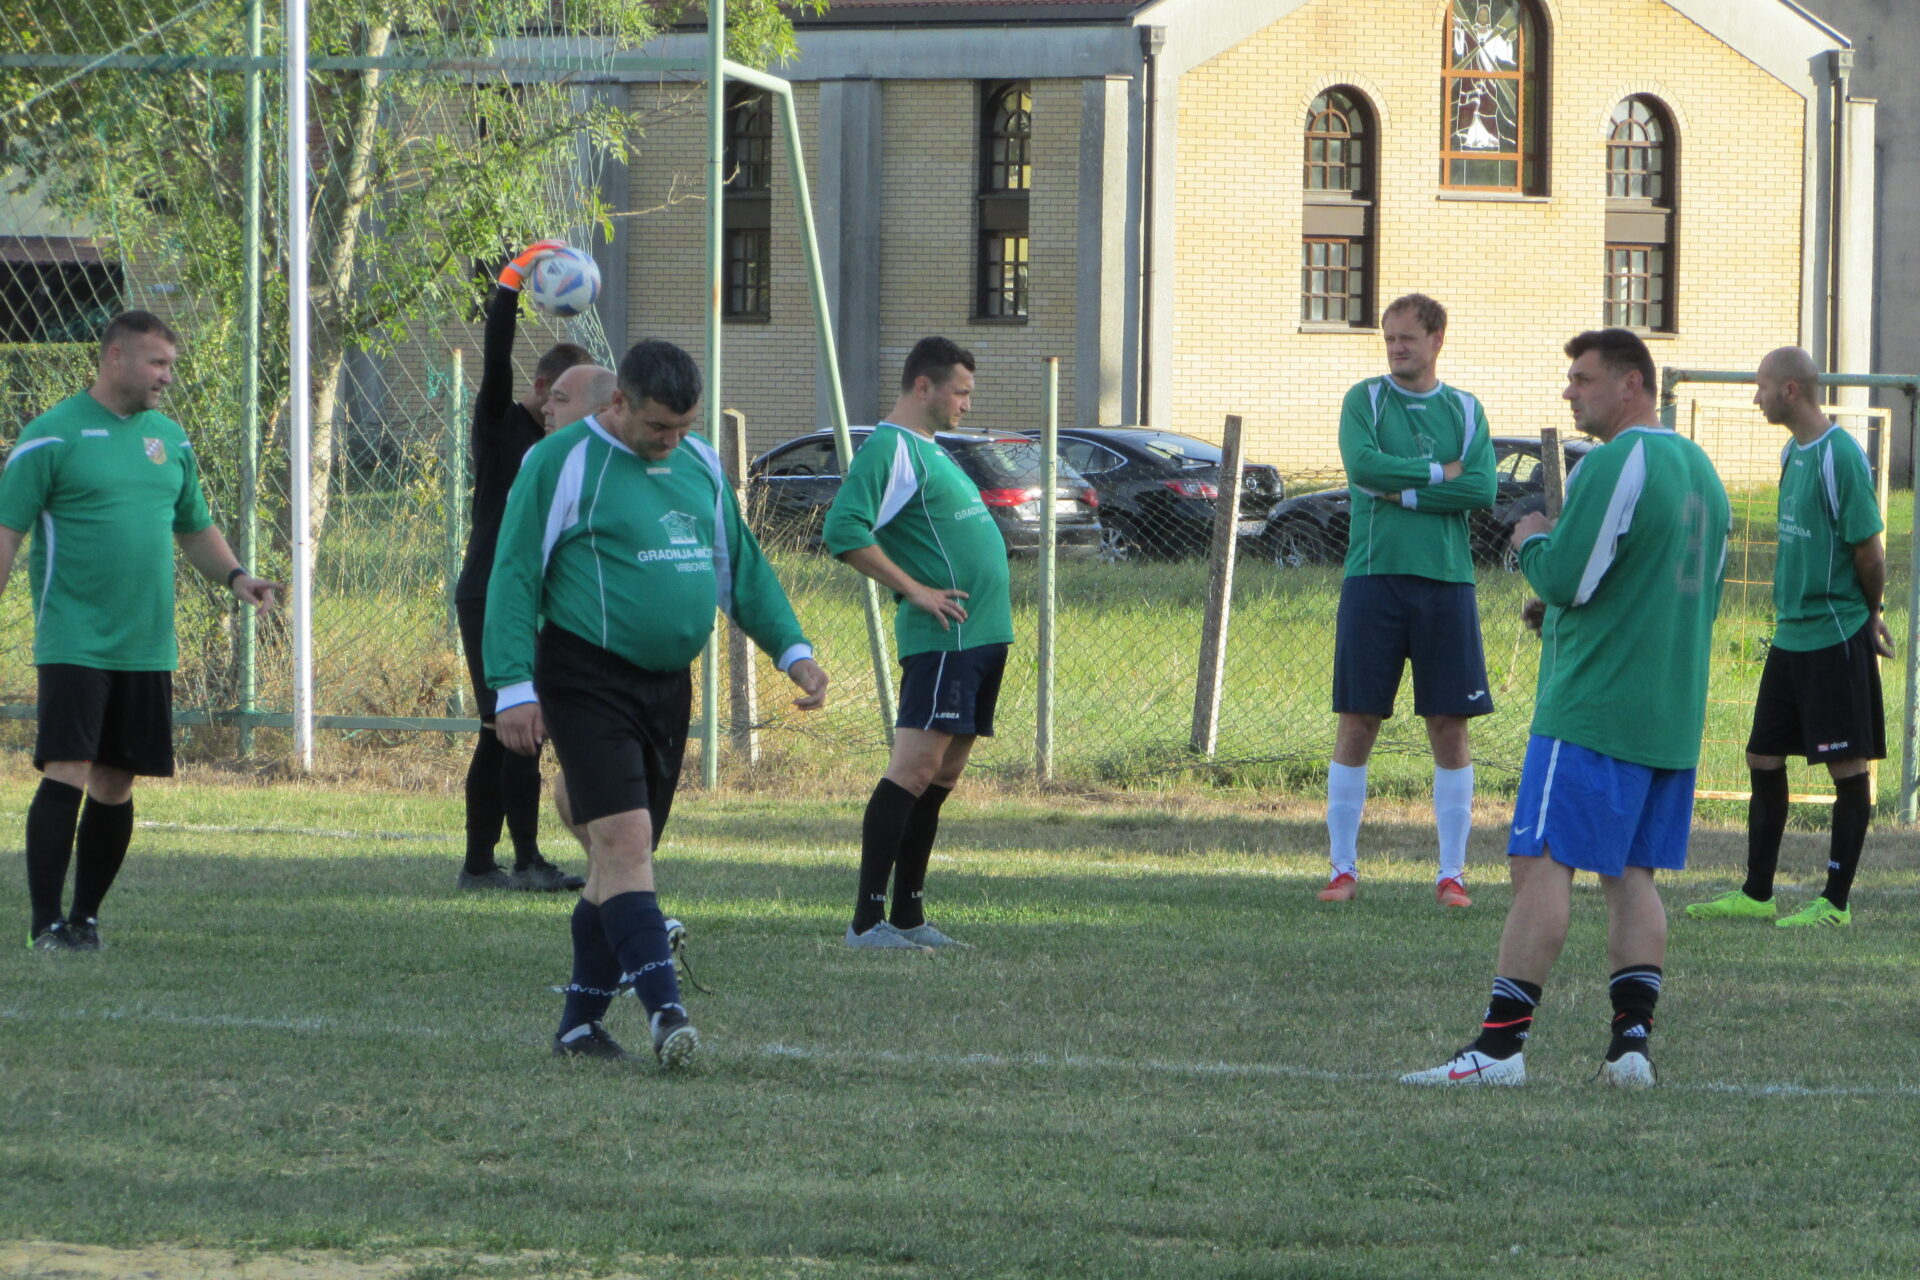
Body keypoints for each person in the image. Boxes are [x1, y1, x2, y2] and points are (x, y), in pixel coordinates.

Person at [485, 338, 829, 1067]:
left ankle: (578, 1027)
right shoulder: (560, 461)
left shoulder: (698, 462)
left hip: (668, 688)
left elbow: (740, 567)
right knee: (624, 845)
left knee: (620, 866)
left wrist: (793, 651)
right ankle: (667, 1014)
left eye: (683, 427)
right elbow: (513, 574)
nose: (671, 441)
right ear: (619, 402)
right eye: (657, 428)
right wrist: (512, 686)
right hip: (585, 676)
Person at [1402, 328, 1729, 1088]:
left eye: (1583, 378)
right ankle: (1630, 1051)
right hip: (1670, 710)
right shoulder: (1704, 472)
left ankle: (1499, 1050)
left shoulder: (1616, 461)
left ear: (1631, 384)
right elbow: (1676, 595)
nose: (1569, 392)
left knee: (1540, 860)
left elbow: (1567, 578)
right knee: (1633, 875)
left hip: (1593, 707)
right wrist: (1564, 613)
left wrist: (1532, 541)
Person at [0, 310, 281, 951]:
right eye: (157, 363)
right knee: (68, 767)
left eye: (170, 365)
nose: (167, 377)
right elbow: (8, 531)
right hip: (74, 636)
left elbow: (194, 526)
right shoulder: (50, 436)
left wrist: (237, 576)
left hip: (146, 642)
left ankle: (85, 919)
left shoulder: (170, 441)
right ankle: (45, 924)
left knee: (117, 779)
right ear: (115, 357)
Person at [1686, 346, 1892, 929]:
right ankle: (1758, 893)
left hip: (1834, 633)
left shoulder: (1840, 455)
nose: (1757, 397)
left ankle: (1835, 903)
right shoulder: (1790, 453)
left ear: (1790, 391)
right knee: (1762, 756)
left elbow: (1870, 551)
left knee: (1847, 768)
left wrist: (1871, 612)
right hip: (1790, 636)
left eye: (1762, 386)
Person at [823, 336, 1009, 950]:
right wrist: (915, 590)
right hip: (942, 639)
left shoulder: (932, 450)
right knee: (914, 769)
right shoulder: (889, 448)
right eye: (960, 392)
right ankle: (865, 922)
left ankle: (906, 916)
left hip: (979, 638)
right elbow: (843, 529)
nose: (966, 404)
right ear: (923, 386)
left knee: (942, 775)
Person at [1322, 294, 1497, 907]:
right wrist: (1439, 473)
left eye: (1408, 338)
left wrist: (1408, 492)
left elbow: (1482, 487)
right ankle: (1342, 869)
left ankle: (1452, 874)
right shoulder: (1365, 400)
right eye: (1389, 338)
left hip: (1448, 583)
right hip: (1373, 579)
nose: (1396, 348)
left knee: (1449, 726)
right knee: (1358, 721)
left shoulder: (1465, 409)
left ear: (1436, 340)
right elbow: (1364, 469)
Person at [452, 241, 593, 892]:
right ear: (541, 389)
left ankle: (482, 865)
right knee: (513, 728)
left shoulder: (570, 447)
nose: (565, 408)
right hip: (490, 593)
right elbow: (497, 356)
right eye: (559, 395)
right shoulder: (502, 425)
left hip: (537, 599)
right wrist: (511, 280)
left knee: (504, 732)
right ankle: (523, 861)